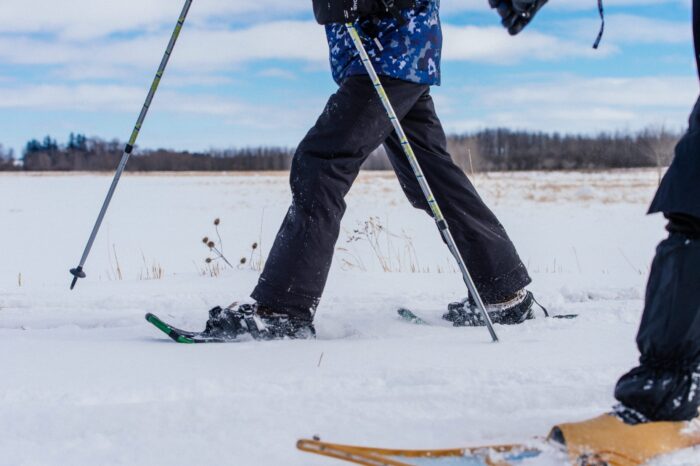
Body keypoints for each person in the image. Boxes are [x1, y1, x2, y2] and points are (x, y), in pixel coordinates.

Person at [201, 0, 541, 340]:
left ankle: (282, 312)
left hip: (390, 52)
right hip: (396, 53)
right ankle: (502, 292)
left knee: (321, 163)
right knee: (432, 176)